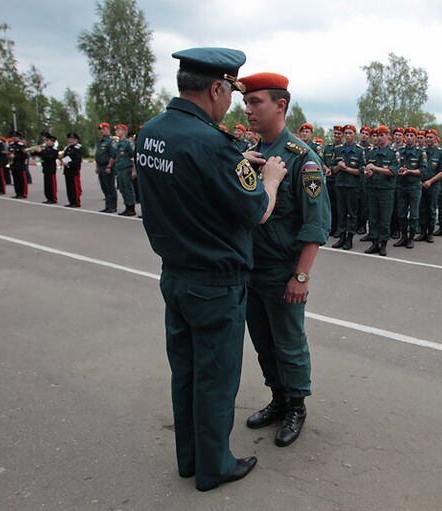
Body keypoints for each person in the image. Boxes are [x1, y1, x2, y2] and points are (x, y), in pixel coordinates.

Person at [137, 47, 287, 492]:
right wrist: (270, 178)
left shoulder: (152, 132)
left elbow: (187, 182)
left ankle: (190, 459)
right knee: (216, 377)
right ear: (217, 87)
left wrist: (238, 167)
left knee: (184, 372)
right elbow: (257, 210)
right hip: (215, 283)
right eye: (230, 93)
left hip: (176, 274)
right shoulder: (211, 143)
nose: (231, 104)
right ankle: (215, 465)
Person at [237, 72, 330, 447]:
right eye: (245, 103)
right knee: (262, 340)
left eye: (255, 102)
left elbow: (316, 224)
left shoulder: (302, 160)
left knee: (289, 342)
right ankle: (277, 398)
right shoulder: (251, 154)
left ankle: (296, 406)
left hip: (283, 271)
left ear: (280, 105)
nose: (247, 110)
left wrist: (301, 277)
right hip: (250, 268)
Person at [363, 125, 400, 255]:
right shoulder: (371, 153)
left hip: (386, 190)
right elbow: (368, 170)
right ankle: (374, 242)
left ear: (387, 136)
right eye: (377, 135)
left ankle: (383, 243)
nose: (379, 138)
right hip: (373, 189)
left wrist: (375, 168)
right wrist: (368, 173)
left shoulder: (393, 153)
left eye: (382, 135)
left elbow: (393, 171)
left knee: (384, 219)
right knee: (373, 218)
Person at [331, 125, 365, 250]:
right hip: (340, 185)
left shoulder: (360, 150)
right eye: (346, 133)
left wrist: (347, 169)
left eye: (350, 133)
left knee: (351, 213)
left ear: (355, 134)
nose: (348, 135)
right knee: (341, 212)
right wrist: (338, 167)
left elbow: (361, 171)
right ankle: (342, 236)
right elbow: (332, 170)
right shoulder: (338, 149)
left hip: (352, 186)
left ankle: (349, 238)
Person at [394, 127, 426, 249]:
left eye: (411, 135)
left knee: (413, 214)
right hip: (401, 186)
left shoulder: (420, 153)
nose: (409, 138)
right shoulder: (399, 151)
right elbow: (395, 166)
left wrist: (410, 171)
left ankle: (411, 238)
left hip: (414, 186)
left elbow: (423, 170)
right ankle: (403, 236)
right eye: (407, 135)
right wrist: (400, 170)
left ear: (415, 137)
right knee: (401, 213)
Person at [417, 128, 442, 242]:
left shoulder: (440, 153)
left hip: (433, 185)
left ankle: (430, 233)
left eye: (431, 137)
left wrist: (430, 181)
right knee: (422, 208)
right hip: (421, 184)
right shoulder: (421, 152)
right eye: (427, 137)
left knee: (431, 209)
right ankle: (422, 232)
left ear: (435, 138)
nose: (428, 139)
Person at [321, 126, 343, 237]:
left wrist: (334, 169)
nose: (337, 136)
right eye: (335, 134)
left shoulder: (343, 149)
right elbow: (322, 161)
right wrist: (326, 169)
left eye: (339, 133)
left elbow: (342, 164)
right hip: (329, 179)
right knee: (331, 205)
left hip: (339, 180)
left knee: (340, 206)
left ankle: (339, 228)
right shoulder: (328, 148)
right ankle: (332, 227)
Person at [27, 133, 59, 204]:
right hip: (45, 169)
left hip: (51, 169)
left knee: (51, 185)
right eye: (46, 140)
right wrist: (34, 150)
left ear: (52, 141)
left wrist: (41, 151)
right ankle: (48, 198)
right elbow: (35, 154)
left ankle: (53, 198)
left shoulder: (54, 150)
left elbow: (49, 157)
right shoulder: (46, 149)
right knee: (47, 185)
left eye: (48, 140)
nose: (46, 142)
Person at [113, 124, 137, 216]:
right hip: (119, 169)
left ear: (124, 131)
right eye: (116, 130)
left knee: (128, 188)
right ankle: (127, 206)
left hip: (127, 168)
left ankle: (131, 208)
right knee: (122, 188)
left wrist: (134, 170)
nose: (116, 132)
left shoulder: (128, 143)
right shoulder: (118, 143)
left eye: (118, 130)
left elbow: (133, 157)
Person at [95, 122, 118, 213]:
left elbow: (113, 155)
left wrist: (109, 166)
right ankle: (108, 206)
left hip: (107, 167)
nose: (102, 131)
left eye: (103, 129)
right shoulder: (101, 141)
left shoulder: (111, 141)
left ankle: (113, 206)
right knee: (104, 187)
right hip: (101, 167)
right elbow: (98, 155)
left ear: (108, 129)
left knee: (110, 187)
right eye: (101, 129)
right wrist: (97, 166)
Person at [59, 133, 83, 207]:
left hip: (74, 170)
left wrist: (69, 163)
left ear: (76, 140)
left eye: (72, 139)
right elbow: (65, 156)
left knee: (74, 187)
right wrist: (62, 161)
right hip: (67, 171)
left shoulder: (77, 148)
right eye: (69, 139)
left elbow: (78, 160)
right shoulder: (68, 147)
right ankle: (71, 201)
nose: (71, 140)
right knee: (69, 187)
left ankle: (76, 202)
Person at [7, 130, 29, 199]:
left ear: (19, 137)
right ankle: (18, 193)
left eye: (16, 137)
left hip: (20, 165)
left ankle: (23, 193)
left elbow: (25, 156)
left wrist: (15, 156)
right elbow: (8, 153)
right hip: (13, 165)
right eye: (13, 136)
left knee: (22, 180)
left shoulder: (22, 146)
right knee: (16, 180)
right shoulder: (11, 145)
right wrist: (9, 156)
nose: (14, 138)